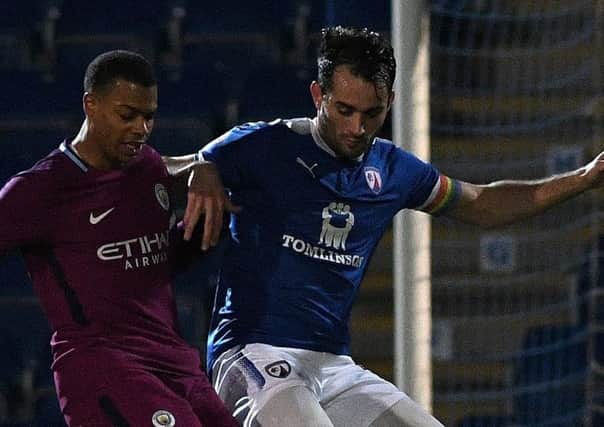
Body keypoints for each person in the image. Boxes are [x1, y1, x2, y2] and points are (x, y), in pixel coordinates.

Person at [177, 26, 604, 427]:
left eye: (371, 113)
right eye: (343, 110)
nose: (356, 128)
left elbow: (484, 203)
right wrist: (199, 166)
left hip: (333, 368)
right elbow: (161, 170)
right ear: (317, 95)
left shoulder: (395, 169)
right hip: (251, 352)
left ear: (391, 102)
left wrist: (584, 178)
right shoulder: (262, 145)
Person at [0, 50, 238, 427]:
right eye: (127, 116)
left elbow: (154, 257)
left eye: (149, 117)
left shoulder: (145, 166)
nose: (140, 129)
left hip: (175, 364)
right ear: (90, 105)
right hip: (103, 367)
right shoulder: (41, 189)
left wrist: (203, 165)